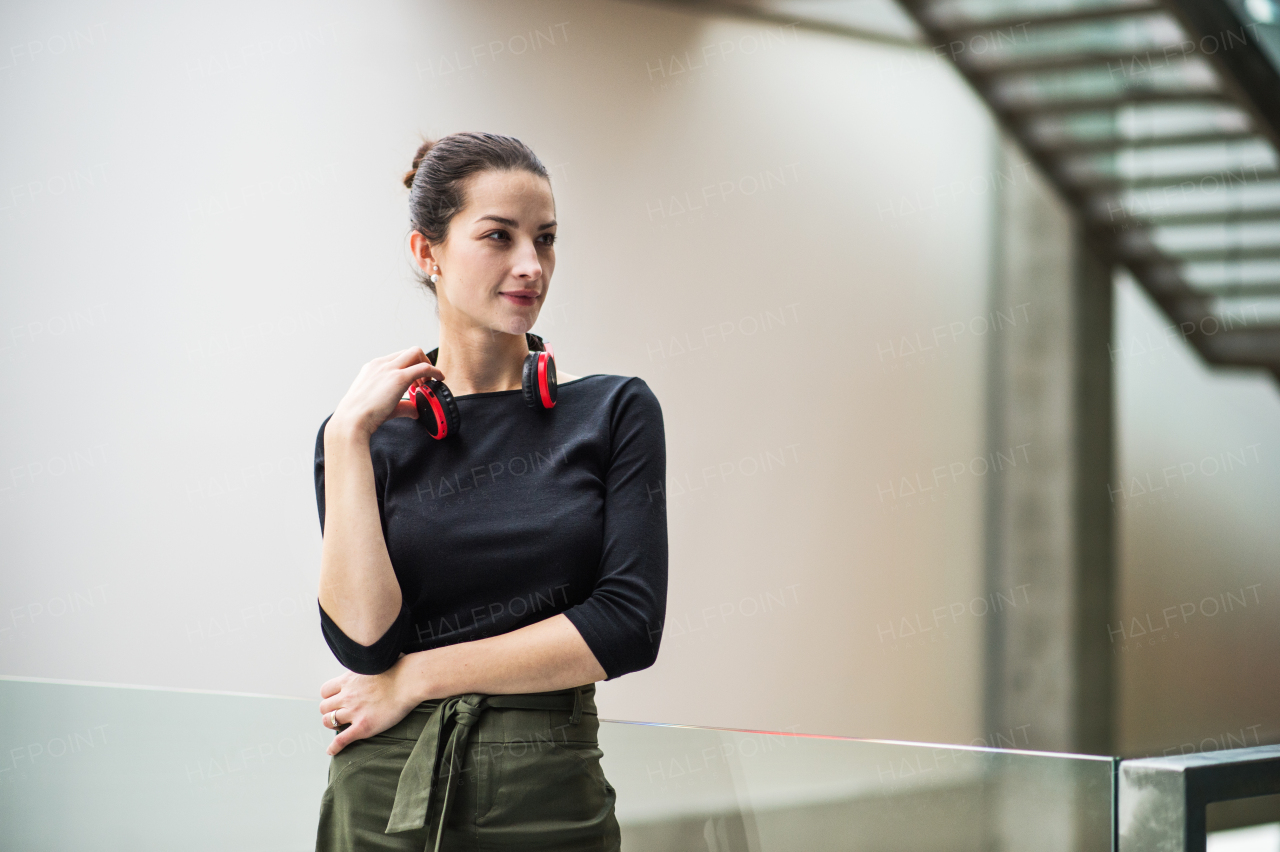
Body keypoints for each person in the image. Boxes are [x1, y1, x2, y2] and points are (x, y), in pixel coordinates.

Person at [311, 131, 668, 851]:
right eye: (498, 237)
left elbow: (627, 624)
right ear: (427, 253)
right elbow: (363, 641)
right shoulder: (365, 436)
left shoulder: (614, 410)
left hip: (551, 790)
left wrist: (417, 679)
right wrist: (346, 439)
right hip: (386, 786)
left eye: (546, 239)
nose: (530, 265)